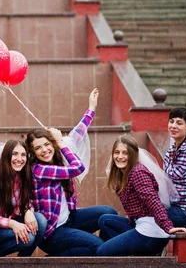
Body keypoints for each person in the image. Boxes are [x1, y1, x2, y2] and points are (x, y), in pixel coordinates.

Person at [26, 88, 117, 256]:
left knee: (109, 214)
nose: (44, 150)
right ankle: (54, 259)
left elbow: (77, 135)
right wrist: (60, 142)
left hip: (70, 219)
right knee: (97, 246)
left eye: (47, 144)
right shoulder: (39, 169)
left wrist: (91, 108)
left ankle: (105, 253)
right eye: (38, 148)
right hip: (53, 233)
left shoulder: (57, 157)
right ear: (33, 153)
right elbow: (78, 168)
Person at [97, 135, 186, 256]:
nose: (120, 157)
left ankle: (139, 255)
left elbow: (153, 201)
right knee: (105, 221)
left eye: (125, 153)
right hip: (139, 224)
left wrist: (168, 227)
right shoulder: (124, 174)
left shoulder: (138, 173)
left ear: (133, 154)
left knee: (102, 251)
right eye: (117, 152)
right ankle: (131, 257)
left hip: (151, 233)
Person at [0, 139, 47, 256]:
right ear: (6, 156)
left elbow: (25, 201)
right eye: (14, 154)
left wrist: (28, 211)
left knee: (40, 221)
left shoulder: (20, 176)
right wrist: (12, 224)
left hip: (5, 227)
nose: (19, 159)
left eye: (23, 155)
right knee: (28, 237)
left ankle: (23, 262)